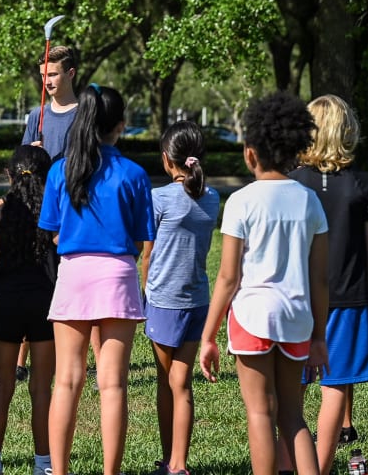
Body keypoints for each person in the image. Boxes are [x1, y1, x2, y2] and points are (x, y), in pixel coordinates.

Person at [200, 92, 328, 475]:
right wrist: (320, 337)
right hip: (297, 320)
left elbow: (227, 277)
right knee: (293, 417)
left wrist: (208, 336)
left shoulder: (241, 201)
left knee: (259, 412)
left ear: (250, 153)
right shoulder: (309, 201)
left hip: (252, 317)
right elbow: (319, 279)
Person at [39, 83, 155, 475]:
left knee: (66, 382)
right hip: (118, 274)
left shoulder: (61, 169)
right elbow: (143, 237)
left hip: (74, 272)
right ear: (121, 125)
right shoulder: (134, 174)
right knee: (114, 385)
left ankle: (59, 471)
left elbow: (52, 230)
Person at [288, 94, 368, 475]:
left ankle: (289, 465)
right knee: (335, 387)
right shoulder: (363, 183)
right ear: (347, 131)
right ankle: (320, 470)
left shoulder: (291, 183)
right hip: (347, 300)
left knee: (292, 393)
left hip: (297, 300)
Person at [140, 121, 219, 475]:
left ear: (166, 160)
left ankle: (170, 460)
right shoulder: (213, 197)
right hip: (198, 299)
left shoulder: (158, 199)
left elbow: (147, 255)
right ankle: (179, 464)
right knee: (182, 383)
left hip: (163, 300)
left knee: (165, 381)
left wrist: (144, 294)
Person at [0, 145, 57, 475]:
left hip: (7, 302)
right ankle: (43, 465)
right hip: (46, 302)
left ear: (9, 174)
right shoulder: (55, 214)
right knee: (41, 388)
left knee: (2, 385)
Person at [18, 45, 81, 381]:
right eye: (43, 76)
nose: (47, 82)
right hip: (37, 210)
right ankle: (21, 359)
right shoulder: (35, 115)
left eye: (53, 74)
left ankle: (70, 357)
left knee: (67, 283)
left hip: (73, 213)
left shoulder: (86, 114)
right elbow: (18, 168)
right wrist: (30, 153)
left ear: (70, 73)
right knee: (36, 282)